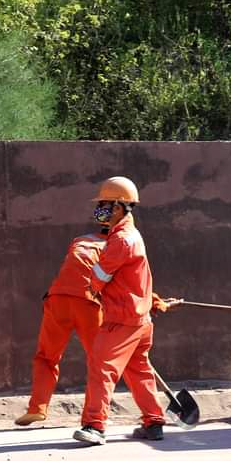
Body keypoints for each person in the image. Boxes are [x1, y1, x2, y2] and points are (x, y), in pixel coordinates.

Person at [73, 176, 179, 446]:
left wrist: (91, 283)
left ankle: (94, 426)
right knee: (138, 370)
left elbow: (100, 277)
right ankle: (154, 421)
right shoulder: (132, 235)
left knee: (101, 368)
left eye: (105, 204)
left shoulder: (121, 240)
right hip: (139, 319)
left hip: (121, 319)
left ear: (120, 206)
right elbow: (135, 279)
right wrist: (152, 300)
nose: (101, 209)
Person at [15, 230, 107, 426]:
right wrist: (157, 303)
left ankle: (37, 408)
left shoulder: (80, 240)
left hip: (57, 298)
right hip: (88, 303)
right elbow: (132, 285)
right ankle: (91, 418)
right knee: (98, 361)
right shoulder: (122, 244)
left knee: (46, 357)